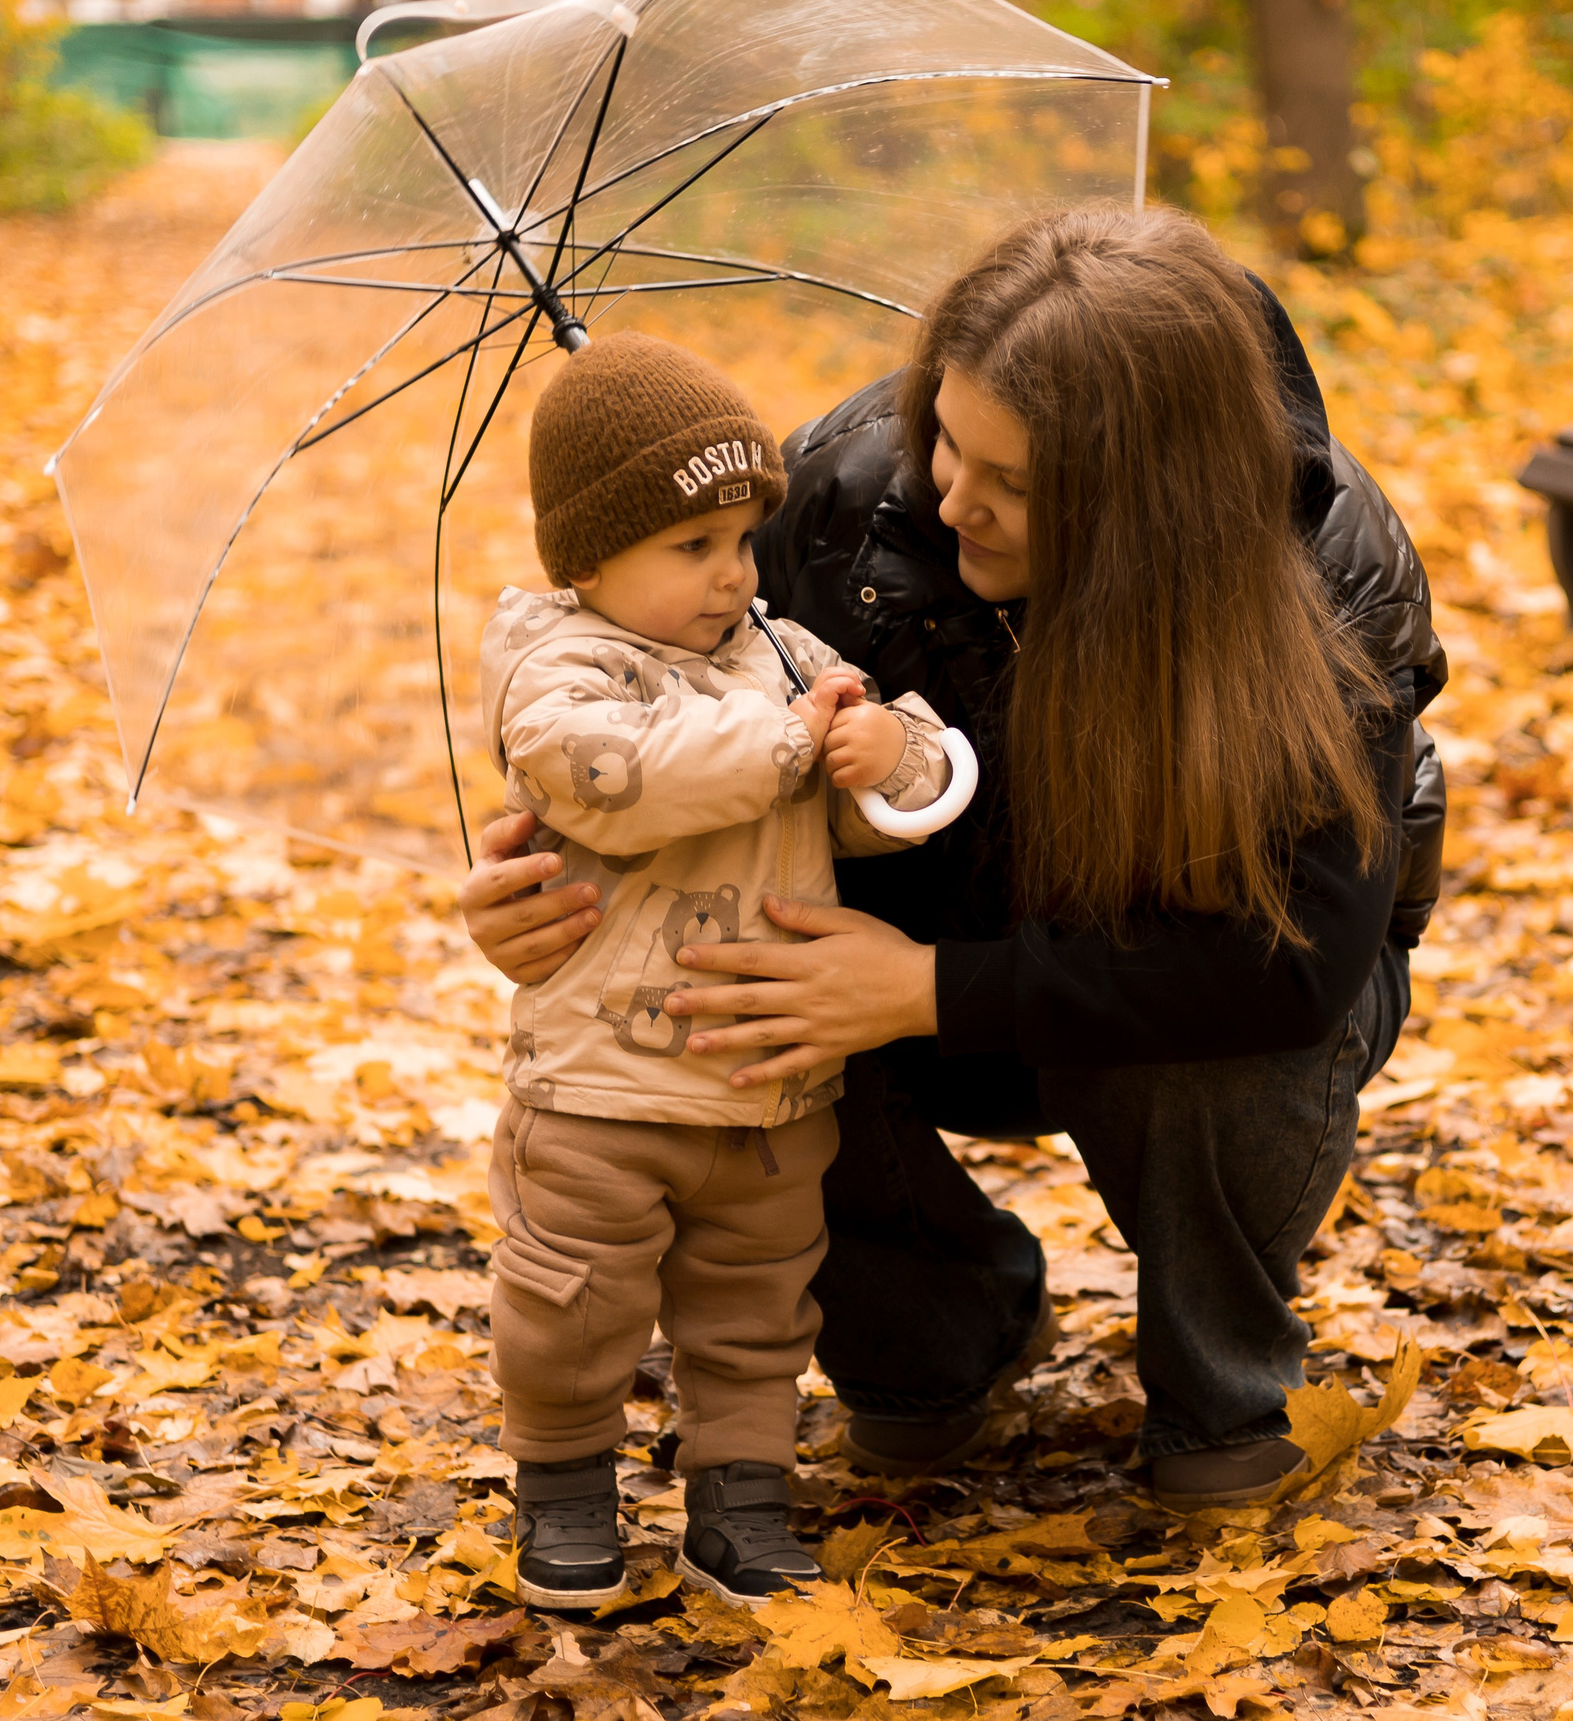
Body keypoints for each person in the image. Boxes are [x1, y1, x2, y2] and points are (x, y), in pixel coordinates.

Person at [461, 207, 1447, 1512]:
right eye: (944, 436)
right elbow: (664, 748)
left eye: (1018, 483)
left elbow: (1297, 963)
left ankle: (1220, 1375)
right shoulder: (835, 508)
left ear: (1150, 504)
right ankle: (934, 1333)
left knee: (1230, 1048)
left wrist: (925, 987)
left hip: (1213, 992)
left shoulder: (1328, 578)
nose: (949, 493)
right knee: (720, 976)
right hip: (916, 928)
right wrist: (546, 893)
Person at [477, 331, 957, 1609]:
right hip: (598, 1087)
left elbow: (902, 790)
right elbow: (622, 781)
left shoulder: (780, 653)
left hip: (763, 1077)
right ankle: (566, 1480)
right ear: (586, 557)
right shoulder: (559, 667)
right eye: (690, 548)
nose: (731, 575)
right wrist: (789, 740)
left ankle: (741, 1498)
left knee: (757, 1311)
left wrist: (883, 759)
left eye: (744, 540)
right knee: (571, 1301)